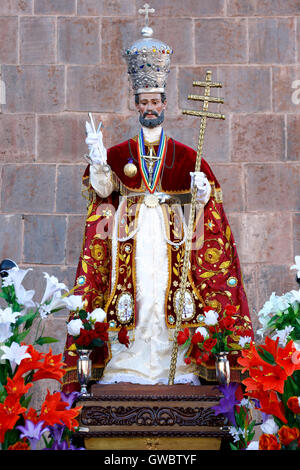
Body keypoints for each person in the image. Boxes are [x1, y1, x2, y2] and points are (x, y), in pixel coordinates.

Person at [62, 14, 253, 394]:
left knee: (164, 289)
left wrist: (200, 192)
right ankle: (126, 362)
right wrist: (99, 163)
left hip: (171, 240)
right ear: (136, 105)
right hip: (127, 239)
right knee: (137, 293)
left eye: (155, 100)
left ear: (165, 103)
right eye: (144, 101)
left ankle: (177, 360)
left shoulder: (184, 154)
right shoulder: (120, 152)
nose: (150, 106)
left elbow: (205, 206)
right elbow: (102, 193)